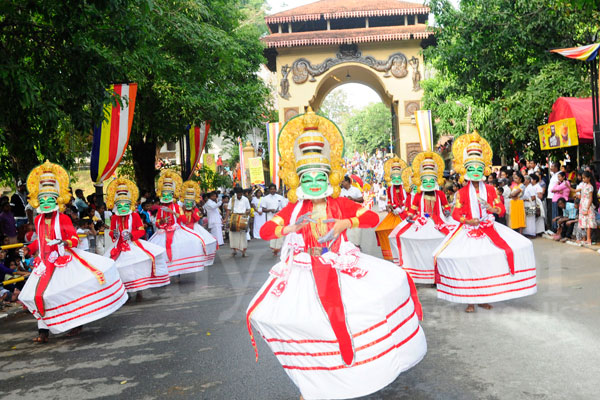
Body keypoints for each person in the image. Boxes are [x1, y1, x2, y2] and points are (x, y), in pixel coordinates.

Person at [246, 109, 426, 400]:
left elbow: (371, 218)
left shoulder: (340, 202)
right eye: (308, 177)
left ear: (330, 176)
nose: (315, 182)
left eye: (321, 176)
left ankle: (355, 374)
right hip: (304, 272)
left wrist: (346, 222)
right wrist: (290, 226)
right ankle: (313, 385)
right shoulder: (294, 208)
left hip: (339, 264)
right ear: (297, 179)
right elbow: (266, 231)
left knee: (381, 295)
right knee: (310, 328)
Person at [18, 161, 126, 343]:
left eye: (49, 199)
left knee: (67, 292)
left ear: (57, 199)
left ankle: (75, 323)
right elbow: (40, 240)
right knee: (39, 294)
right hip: (45, 264)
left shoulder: (64, 219)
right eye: (42, 199)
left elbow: (75, 239)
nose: (45, 203)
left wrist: (63, 241)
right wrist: (29, 248)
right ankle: (43, 331)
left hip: (64, 261)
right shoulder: (37, 221)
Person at [433, 132, 536, 313]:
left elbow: (501, 210)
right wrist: (469, 221)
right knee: (469, 262)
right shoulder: (462, 192)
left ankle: (485, 297)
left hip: (489, 227)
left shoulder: (489, 189)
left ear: (484, 169)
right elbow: (456, 213)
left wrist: (491, 207)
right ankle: (470, 300)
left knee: (489, 262)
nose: (475, 172)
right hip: (468, 230)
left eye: (478, 168)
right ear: (466, 170)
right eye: (471, 168)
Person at [388, 152, 455, 284]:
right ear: (421, 181)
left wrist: (447, 212)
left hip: (438, 222)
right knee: (398, 236)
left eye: (431, 181)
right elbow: (413, 209)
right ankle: (417, 270)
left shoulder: (440, 193)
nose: (429, 183)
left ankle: (440, 273)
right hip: (421, 222)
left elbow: (446, 206)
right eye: (426, 181)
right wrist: (409, 216)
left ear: (436, 180)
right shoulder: (418, 195)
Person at [106, 177, 169, 298]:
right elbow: (112, 231)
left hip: (133, 244)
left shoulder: (134, 216)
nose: (123, 207)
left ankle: (139, 291)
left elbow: (141, 230)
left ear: (130, 204)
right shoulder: (114, 218)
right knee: (121, 268)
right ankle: (126, 292)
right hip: (119, 246)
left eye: (125, 204)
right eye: (120, 205)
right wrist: (114, 234)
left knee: (136, 266)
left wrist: (131, 235)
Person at [148, 169, 208, 276]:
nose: (166, 196)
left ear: (173, 194)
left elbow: (183, 220)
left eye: (168, 194)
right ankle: (167, 271)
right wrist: (162, 221)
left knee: (180, 249)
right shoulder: (161, 209)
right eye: (164, 194)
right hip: (163, 233)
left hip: (176, 231)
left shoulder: (177, 207)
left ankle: (178, 270)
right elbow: (157, 223)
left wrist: (174, 213)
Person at [374, 157, 408, 260]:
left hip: (405, 213)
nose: (396, 179)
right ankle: (393, 252)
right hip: (394, 213)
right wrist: (391, 207)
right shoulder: (390, 189)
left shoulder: (405, 187)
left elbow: (407, 201)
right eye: (394, 178)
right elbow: (389, 201)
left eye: (398, 177)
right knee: (382, 229)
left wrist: (401, 209)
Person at [177, 180, 217, 266]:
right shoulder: (181, 209)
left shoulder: (195, 209)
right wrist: (183, 210)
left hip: (195, 228)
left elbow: (197, 218)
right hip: (184, 228)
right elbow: (182, 220)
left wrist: (192, 210)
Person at [340, 175, 364, 248]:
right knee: (347, 232)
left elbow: (361, 199)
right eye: (341, 182)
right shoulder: (340, 191)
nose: (342, 183)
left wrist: (353, 199)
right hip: (345, 214)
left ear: (348, 182)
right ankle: (348, 247)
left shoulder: (355, 190)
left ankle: (357, 246)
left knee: (356, 231)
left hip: (355, 213)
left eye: (343, 181)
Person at [226, 187, 251, 257]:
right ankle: (235, 250)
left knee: (243, 235)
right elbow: (228, 209)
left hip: (243, 217)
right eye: (238, 193)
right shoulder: (232, 199)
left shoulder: (245, 199)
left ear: (242, 193)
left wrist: (247, 213)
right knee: (233, 234)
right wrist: (225, 219)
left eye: (240, 193)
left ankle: (243, 251)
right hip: (234, 217)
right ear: (236, 193)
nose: (239, 194)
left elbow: (248, 209)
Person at [575, 171, 598, 245]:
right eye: (583, 178)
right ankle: (585, 238)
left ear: (589, 178)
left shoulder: (590, 187)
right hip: (583, 204)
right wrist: (568, 186)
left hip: (587, 205)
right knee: (584, 222)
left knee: (588, 223)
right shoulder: (583, 185)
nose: (583, 179)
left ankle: (589, 239)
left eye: (584, 178)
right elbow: (575, 190)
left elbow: (590, 198)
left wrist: (587, 208)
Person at [261, 184, 284, 256]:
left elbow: (284, 208)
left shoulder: (280, 197)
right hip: (271, 218)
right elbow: (263, 209)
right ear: (269, 190)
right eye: (271, 189)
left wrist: (279, 211)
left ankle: (277, 248)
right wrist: (270, 210)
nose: (272, 190)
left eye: (274, 189)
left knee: (279, 233)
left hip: (279, 218)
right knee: (273, 233)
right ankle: (274, 248)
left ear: (276, 189)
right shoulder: (265, 198)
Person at [546, 163, 560, 230]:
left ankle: (554, 228)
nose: (551, 168)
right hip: (550, 196)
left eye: (552, 166)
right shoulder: (553, 175)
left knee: (553, 213)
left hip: (554, 197)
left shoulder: (558, 175)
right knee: (549, 212)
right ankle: (550, 227)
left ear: (556, 167)